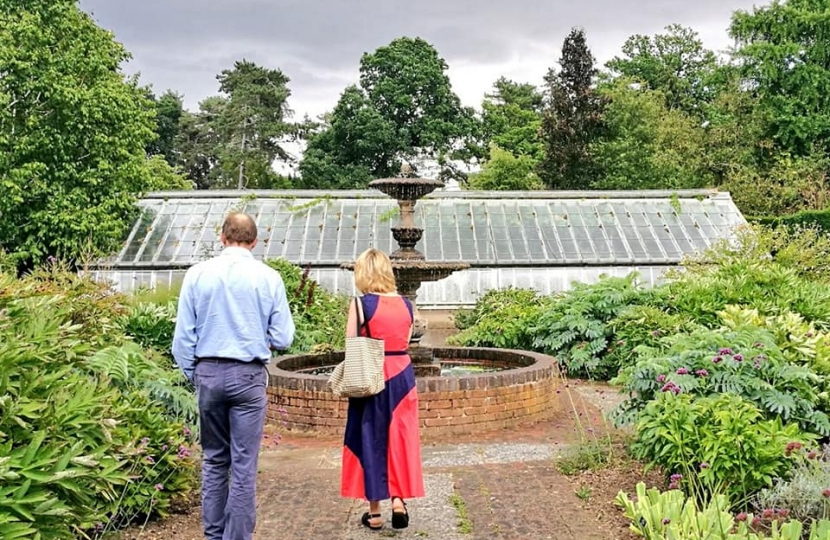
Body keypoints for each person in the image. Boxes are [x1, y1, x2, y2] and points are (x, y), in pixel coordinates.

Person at [172, 212, 295, 540]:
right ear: (254, 242)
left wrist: (195, 375)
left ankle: (213, 536)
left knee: (213, 461)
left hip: (209, 373)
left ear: (222, 237)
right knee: (243, 467)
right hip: (248, 377)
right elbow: (283, 338)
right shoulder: (269, 278)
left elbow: (182, 338)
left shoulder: (197, 274)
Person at [340, 248, 425, 530]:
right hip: (402, 375)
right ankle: (399, 501)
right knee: (400, 437)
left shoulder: (360, 304)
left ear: (363, 273)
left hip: (371, 375)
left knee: (370, 437)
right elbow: (407, 338)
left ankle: (374, 513)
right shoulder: (407, 304)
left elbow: (351, 342)